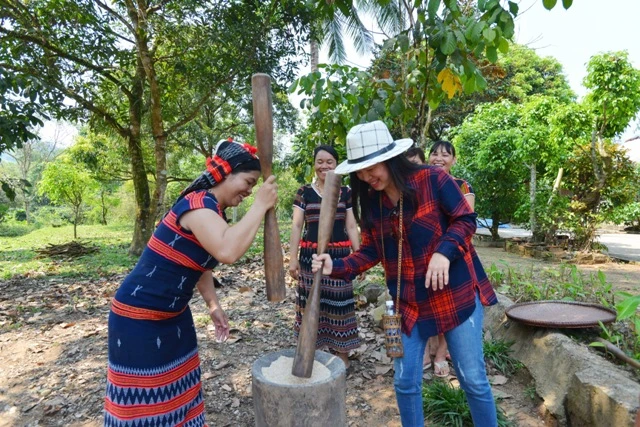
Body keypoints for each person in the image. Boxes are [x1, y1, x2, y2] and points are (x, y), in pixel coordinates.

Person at [311, 121, 498, 426]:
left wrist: (444, 251)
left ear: (391, 158)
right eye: (359, 170)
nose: (365, 176)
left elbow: (465, 220)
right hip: (407, 303)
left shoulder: (433, 179)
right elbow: (372, 249)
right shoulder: (372, 200)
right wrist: (338, 265)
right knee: (405, 383)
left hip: (455, 297)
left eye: (371, 166)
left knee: (473, 380)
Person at [104, 140, 277, 426]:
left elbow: (202, 265)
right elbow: (227, 251)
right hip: (139, 316)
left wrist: (213, 305)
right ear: (226, 174)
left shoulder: (214, 211)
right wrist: (260, 205)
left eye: (253, 186)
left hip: (174, 315)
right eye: (247, 182)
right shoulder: (197, 204)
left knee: (181, 391)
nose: (249, 191)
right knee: (146, 402)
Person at [289, 145, 362, 368]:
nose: (324, 166)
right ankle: (315, 353)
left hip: (339, 256)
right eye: (320, 161)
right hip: (310, 258)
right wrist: (292, 258)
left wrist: (359, 257)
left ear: (337, 164)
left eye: (329, 161)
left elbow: (351, 224)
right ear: (314, 164)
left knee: (340, 303)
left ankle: (341, 356)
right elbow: (296, 224)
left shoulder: (346, 192)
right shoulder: (304, 192)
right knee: (313, 302)